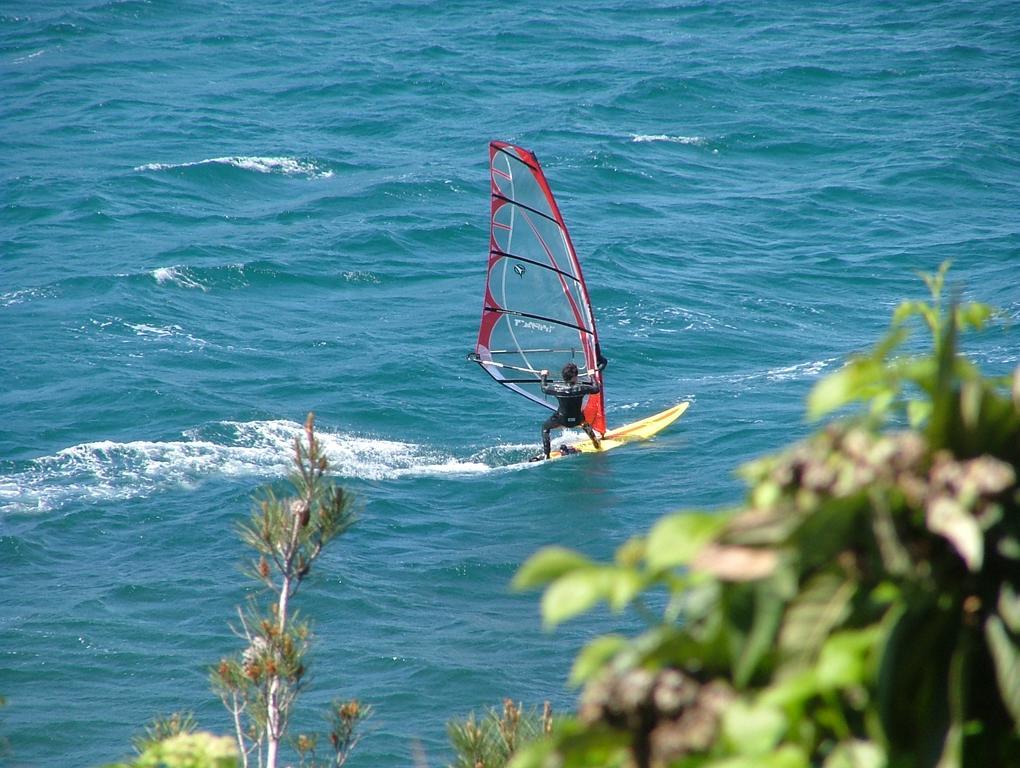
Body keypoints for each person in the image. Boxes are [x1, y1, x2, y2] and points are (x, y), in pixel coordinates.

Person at [536, 349, 607, 460]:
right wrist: (592, 376)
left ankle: (547, 455)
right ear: (574, 377)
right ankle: (596, 443)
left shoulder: (557, 388)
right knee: (585, 424)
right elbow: (596, 389)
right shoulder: (581, 388)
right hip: (578, 419)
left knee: (545, 428)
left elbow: (544, 388)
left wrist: (544, 376)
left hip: (561, 420)